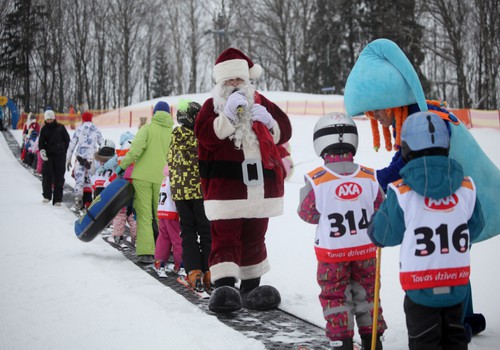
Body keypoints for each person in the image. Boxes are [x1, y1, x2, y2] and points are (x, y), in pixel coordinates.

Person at [344, 37, 493, 338]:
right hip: (454, 202)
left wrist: (372, 180)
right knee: (454, 252)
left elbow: (404, 168)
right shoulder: (425, 119)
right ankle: (465, 314)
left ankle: (459, 317)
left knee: (447, 252)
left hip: (449, 204)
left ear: (389, 104)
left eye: (377, 112)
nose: (377, 119)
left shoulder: (420, 122)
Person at [368, 111, 484, 350]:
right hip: (456, 285)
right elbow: (476, 225)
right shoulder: (466, 187)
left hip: (420, 286)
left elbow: (382, 234)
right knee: (455, 338)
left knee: (425, 342)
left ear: (407, 150)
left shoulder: (401, 192)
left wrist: (375, 224)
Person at [195, 48, 292, 313]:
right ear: (219, 83)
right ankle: (224, 287)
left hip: (260, 187)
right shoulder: (210, 107)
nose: (234, 85)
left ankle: (251, 287)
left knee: (255, 235)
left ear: (247, 79)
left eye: (238, 79)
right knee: (225, 237)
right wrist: (225, 117)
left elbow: (285, 131)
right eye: (228, 81)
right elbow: (204, 137)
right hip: (226, 189)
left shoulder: (261, 101)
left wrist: (271, 122)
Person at [298, 113, 386, 350]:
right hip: (366, 250)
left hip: (332, 254)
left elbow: (306, 213)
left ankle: (342, 341)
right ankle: (372, 339)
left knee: (335, 297)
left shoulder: (317, 179)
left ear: (320, 143)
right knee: (367, 294)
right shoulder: (370, 176)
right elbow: (380, 208)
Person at [115, 101, 174, 264]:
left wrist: (122, 167)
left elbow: (135, 150)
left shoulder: (147, 129)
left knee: (144, 214)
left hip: (142, 177)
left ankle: (146, 252)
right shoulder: (173, 132)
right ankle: (165, 249)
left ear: (154, 113)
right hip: (163, 179)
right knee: (161, 214)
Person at [167, 99, 211, 292]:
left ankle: (194, 272)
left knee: (188, 232)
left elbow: (169, 162)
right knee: (206, 230)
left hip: (180, 194)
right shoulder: (199, 139)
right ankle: (210, 271)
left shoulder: (174, 139)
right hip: (199, 192)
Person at [66, 111, 103, 212]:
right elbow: (102, 143)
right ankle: (89, 202)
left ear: (83, 119)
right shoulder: (95, 129)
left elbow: (72, 144)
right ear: (91, 119)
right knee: (90, 181)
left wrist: (68, 158)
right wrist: (102, 158)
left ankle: (78, 202)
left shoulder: (79, 128)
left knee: (79, 181)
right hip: (92, 160)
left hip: (80, 159)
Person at [154, 164, 183, 277]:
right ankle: (180, 264)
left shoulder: (165, 180)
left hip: (162, 211)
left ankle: (159, 263)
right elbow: (176, 197)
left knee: (163, 238)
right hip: (173, 213)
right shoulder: (175, 179)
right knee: (178, 239)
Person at [38, 109, 70, 205]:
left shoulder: (60, 127)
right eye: (48, 119)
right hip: (48, 156)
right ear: (45, 119)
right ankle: (47, 196)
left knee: (59, 177)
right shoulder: (44, 129)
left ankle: (58, 199)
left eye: (51, 119)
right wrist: (42, 151)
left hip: (60, 156)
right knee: (47, 175)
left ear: (54, 119)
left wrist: (64, 151)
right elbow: (41, 143)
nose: (49, 121)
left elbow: (67, 140)